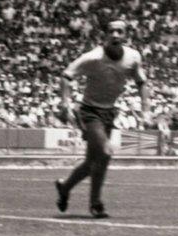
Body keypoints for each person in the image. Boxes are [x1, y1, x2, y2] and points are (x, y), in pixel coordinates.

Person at [54, 19, 151, 218]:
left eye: (120, 32)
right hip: (90, 111)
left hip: (109, 112)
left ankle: (65, 187)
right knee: (105, 153)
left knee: (92, 161)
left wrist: (146, 110)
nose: (115, 35)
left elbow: (142, 82)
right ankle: (95, 202)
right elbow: (66, 75)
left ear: (125, 36)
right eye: (111, 31)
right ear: (105, 35)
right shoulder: (93, 57)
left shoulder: (133, 57)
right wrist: (65, 103)